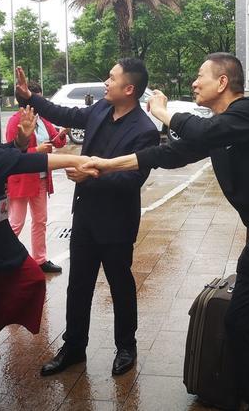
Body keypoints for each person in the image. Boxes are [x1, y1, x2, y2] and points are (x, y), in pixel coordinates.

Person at [85, 53, 249, 411]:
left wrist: (163, 113)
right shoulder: (220, 128)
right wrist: (107, 165)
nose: (194, 82)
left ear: (222, 82)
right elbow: (168, 154)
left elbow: (203, 132)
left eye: (199, 76)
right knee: (239, 325)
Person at [0, 82, 96, 411]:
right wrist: (78, 160)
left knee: (32, 279)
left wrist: (21, 142)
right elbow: (18, 162)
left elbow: (6, 154)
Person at [15, 59, 159, 377]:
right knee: (78, 286)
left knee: (120, 286)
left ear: (129, 89)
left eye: (111, 78)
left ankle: (126, 346)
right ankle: (74, 347)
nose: (106, 82)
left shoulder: (145, 131)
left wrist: (89, 175)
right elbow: (64, 114)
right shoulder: (100, 110)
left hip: (116, 223)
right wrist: (29, 97)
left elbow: (132, 179)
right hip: (85, 217)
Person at [6, 81, 68, 273]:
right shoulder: (15, 121)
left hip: (41, 178)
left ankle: (40, 259)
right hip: (22, 179)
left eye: (41, 98)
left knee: (40, 220)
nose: (41, 102)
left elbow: (56, 142)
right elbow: (11, 152)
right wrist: (36, 150)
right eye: (36, 99)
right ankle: (3, 257)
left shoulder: (43, 120)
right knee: (16, 222)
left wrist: (62, 134)